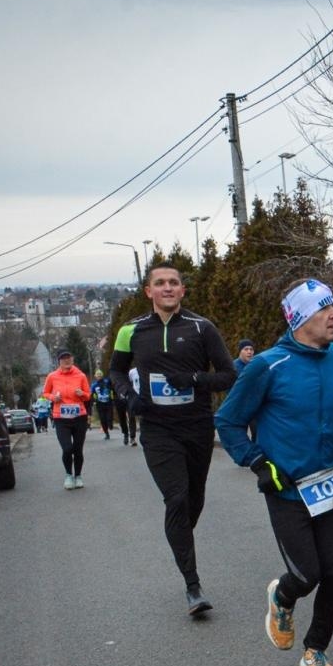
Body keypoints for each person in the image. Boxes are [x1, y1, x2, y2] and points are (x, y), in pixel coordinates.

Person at [215, 279, 333, 666]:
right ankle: (282, 597)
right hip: (286, 488)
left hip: (331, 484)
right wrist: (256, 461)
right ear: (301, 318)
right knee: (307, 575)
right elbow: (228, 421)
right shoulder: (266, 366)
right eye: (324, 309)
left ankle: (315, 650)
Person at [109, 262, 236, 615]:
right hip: (157, 429)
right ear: (148, 291)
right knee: (176, 498)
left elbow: (228, 376)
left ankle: (180, 537)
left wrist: (193, 380)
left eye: (174, 283)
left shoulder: (202, 328)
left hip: (196, 427)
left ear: (182, 291)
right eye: (160, 283)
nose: (167, 288)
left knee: (193, 500)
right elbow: (116, 370)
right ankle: (193, 586)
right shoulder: (130, 331)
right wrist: (127, 397)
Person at [42, 350, 93, 489]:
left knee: (78, 449)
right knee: (67, 448)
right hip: (61, 418)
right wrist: (53, 398)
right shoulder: (52, 376)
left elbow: (88, 395)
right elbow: (45, 393)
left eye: (68, 358)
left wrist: (82, 394)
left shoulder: (81, 376)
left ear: (73, 359)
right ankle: (68, 475)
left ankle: (78, 476)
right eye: (63, 359)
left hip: (79, 417)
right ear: (59, 361)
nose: (66, 361)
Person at [92, 370, 114, 440]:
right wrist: (93, 401)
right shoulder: (94, 385)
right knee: (102, 419)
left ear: (102, 375)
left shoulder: (107, 382)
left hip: (108, 402)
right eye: (97, 375)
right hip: (100, 404)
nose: (99, 376)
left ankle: (110, 424)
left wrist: (113, 398)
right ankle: (106, 433)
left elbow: (112, 388)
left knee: (109, 416)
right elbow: (91, 394)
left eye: (100, 375)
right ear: (95, 376)